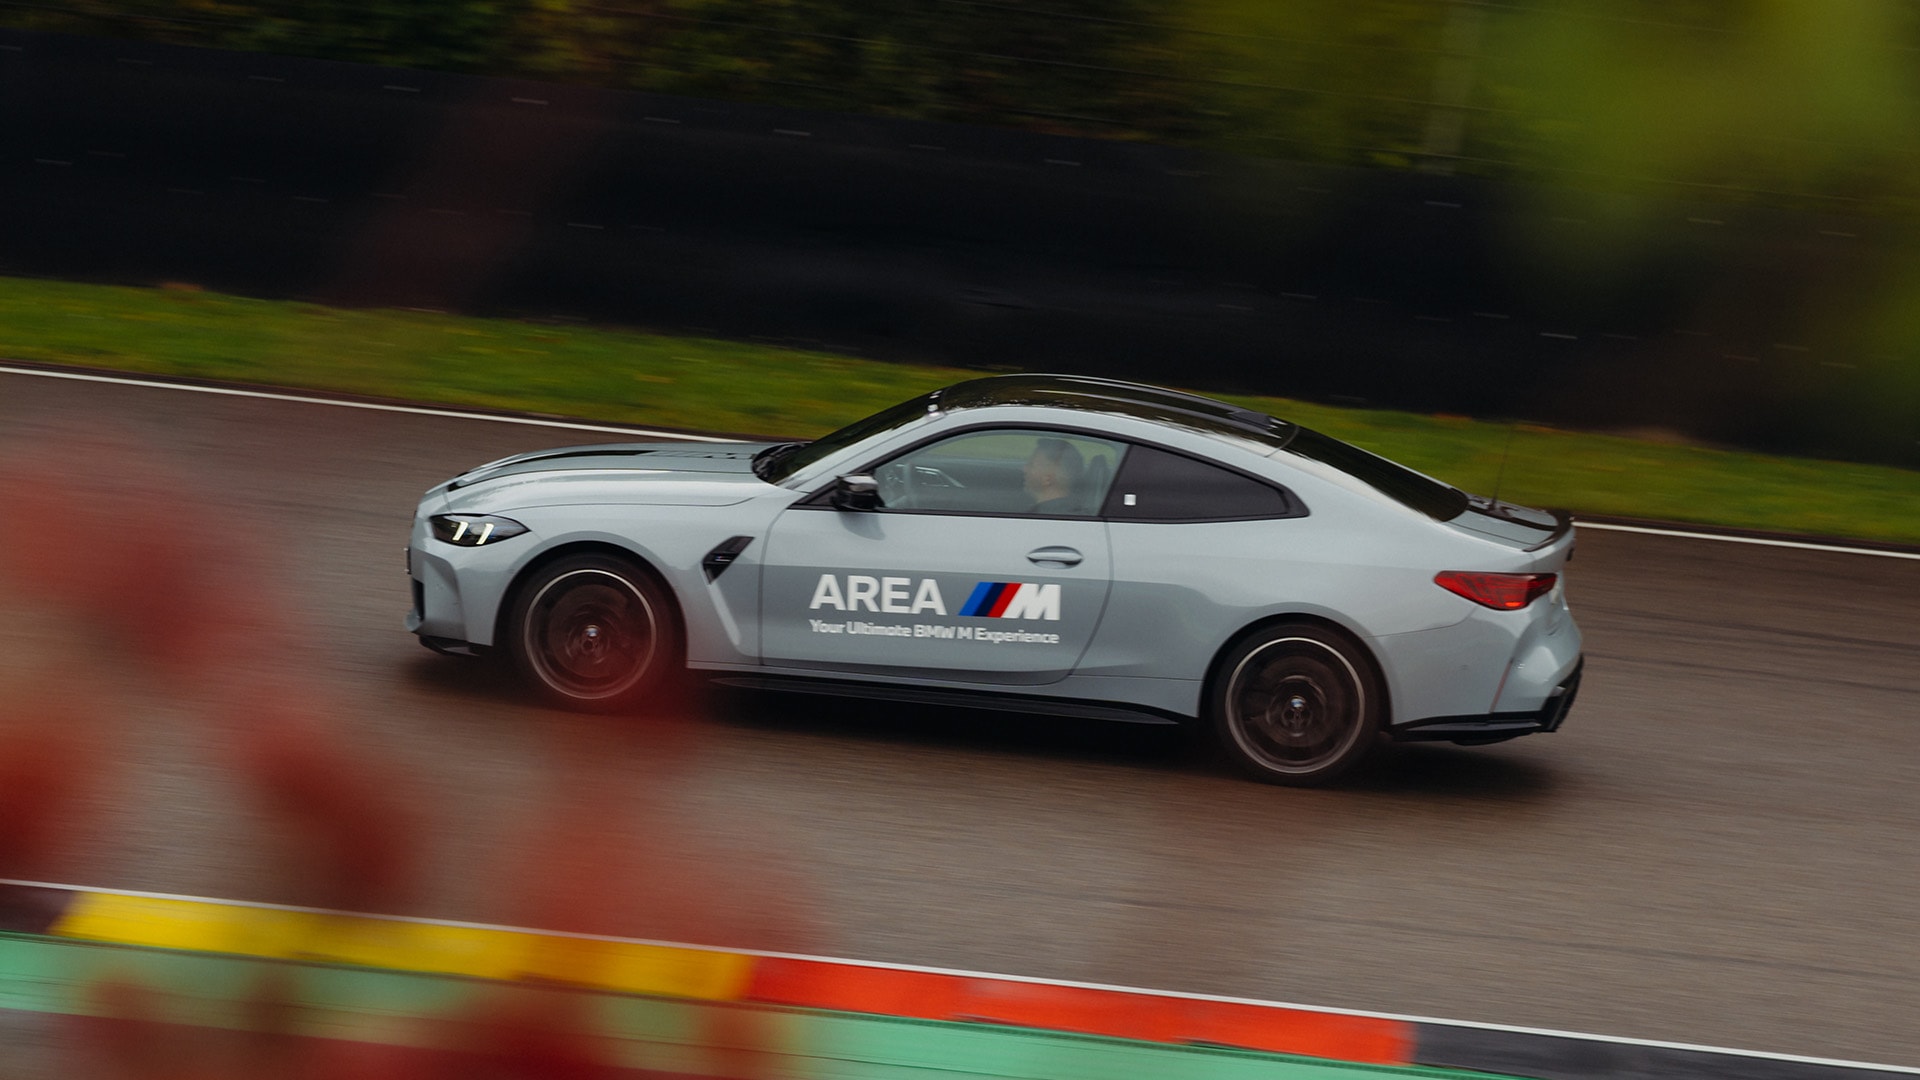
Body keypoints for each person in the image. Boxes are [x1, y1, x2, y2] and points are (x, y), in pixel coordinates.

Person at [1023, 437, 1085, 514]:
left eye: (1031, 465)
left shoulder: (1041, 518)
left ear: (1048, 479)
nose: (1024, 469)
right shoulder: (1075, 512)